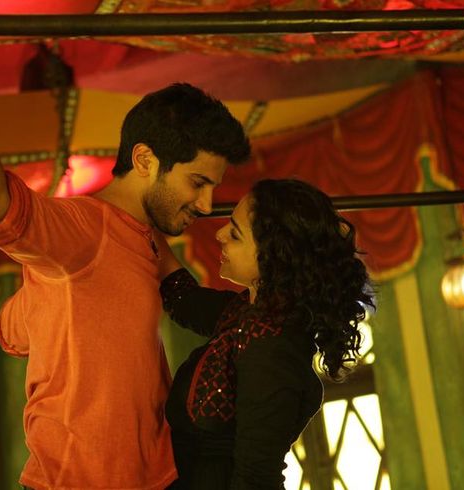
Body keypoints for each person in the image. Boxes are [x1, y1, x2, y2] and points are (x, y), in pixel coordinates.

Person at [0, 5, 250, 490]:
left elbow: (12, 331)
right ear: (145, 159)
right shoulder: (85, 229)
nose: (207, 203)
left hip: (159, 478)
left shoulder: (142, 239)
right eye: (197, 182)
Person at [154, 179, 373, 489]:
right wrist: (141, 223)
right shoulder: (246, 315)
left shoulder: (273, 346)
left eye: (234, 233)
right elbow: (182, 298)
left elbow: (255, 479)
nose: (219, 235)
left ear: (272, 258)